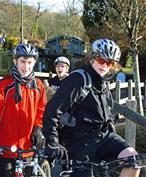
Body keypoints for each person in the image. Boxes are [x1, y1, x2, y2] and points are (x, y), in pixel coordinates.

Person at [43, 39, 140, 177]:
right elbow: (52, 111)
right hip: (80, 141)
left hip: (104, 136)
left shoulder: (103, 82)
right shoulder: (78, 79)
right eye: (102, 60)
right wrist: (52, 142)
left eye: (110, 62)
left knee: (133, 161)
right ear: (92, 58)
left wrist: (111, 126)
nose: (105, 66)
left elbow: (105, 112)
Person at [0, 43, 47, 177]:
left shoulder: (38, 86)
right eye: (22, 61)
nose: (26, 66)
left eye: (29, 62)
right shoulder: (4, 85)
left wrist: (38, 127)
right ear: (15, 61)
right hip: (6, 147)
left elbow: (41, 111)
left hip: (28, 147)